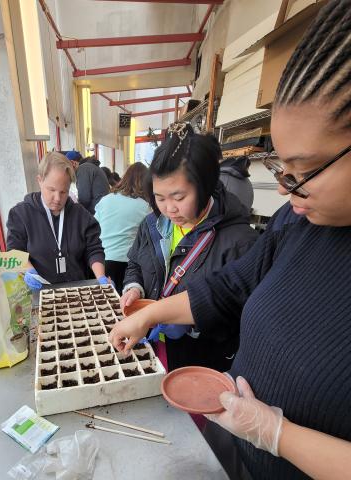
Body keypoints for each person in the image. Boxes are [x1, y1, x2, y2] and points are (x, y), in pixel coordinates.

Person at [109, 2, 351, 478]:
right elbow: (229, 288)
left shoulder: (240, 230)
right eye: (282, 167)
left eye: (303, 171)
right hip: (240, 456)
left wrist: (278, 435)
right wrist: (151, 313)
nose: (283, 187)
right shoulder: (297, 223)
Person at [120, 126, 258, 372]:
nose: (169, 209)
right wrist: (134, 287)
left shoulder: (239, 242)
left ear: (204, 187)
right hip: (150, 346)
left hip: (200, 360)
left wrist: (192, 324)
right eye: (160, 198)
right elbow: (135, 264)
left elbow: (242, 314)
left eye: (179, 197)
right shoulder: (152, 224)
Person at [6, 152, 111, 290]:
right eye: (51, 190)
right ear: (40, 180)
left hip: (77, 290)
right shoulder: (21, 214)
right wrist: (28, 271)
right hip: (40, 290)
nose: (57, 198)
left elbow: (94, 249)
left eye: (63, 192)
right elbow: (14, 250)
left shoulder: (81, 215)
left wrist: (101, 278)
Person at [94, 162, 150, 294]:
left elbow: (94, 228)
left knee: (106, 305)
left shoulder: (105, 200)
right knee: (127, 306)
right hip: (130, 265)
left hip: (103, 261)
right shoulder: (146, 207)